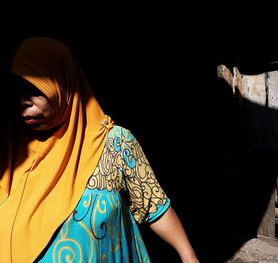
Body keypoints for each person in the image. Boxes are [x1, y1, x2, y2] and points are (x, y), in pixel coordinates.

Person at [0, 37, 199, 263]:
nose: (22, 102)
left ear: (64, 84)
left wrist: (188, 256)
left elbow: (154, 205)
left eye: (35, 91)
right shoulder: (10, 149)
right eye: (16, 92)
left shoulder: (114, 144)